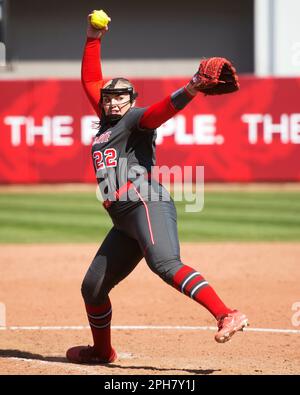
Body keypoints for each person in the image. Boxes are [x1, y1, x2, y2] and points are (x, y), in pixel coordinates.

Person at [66, 13, 248, 364]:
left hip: (145, 203)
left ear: (132, 101)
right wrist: (92, 38)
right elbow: (90, 79)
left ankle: (227, 313)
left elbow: (162, 111)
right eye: (109, 98)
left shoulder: (135, 120)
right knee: (92, 287)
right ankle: (102, 352)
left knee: (164, 263)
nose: (113, 102)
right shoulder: (106, 122)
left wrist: (193, 86)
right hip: (122, 219)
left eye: (121, 97)